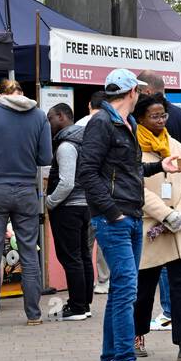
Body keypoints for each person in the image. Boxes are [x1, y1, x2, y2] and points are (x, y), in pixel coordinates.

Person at [77, 69, 178, 361]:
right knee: (126, 291)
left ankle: (111, 360)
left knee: (122, 290)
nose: (142, 96)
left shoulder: (126, 123)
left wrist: (157, 166)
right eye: (139, 91)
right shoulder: (101, 124)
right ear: (131, 92)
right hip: (116, 219)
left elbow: (128, 169)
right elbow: (87, 172)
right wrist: (112, 212)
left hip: (128, 215)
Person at [130, 95, 181, 361]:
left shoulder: (175, 144)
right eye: (154, 116)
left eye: (163, 115)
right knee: (144, 287)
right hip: (151, 226)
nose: (161, 120)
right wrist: (165, 214)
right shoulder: (132, 146)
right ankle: (136, 334)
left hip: (179, 227)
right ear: (140, 118)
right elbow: (135, 188)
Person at [0, 79, 52, 328]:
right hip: (26, 189)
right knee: (28, 252)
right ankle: (34, 314)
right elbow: (45, 157)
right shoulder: (39, 116)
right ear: (23, 93)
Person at [45, 103, 93, 321]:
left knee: (71, 257)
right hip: (85, 206)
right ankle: (85, 303)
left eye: (50, 118)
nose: (49, 123)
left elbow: (66, 182)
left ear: (62, 116)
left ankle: (77, 307)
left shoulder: (66, 146)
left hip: (68, 208)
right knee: (83, 255)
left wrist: (50, 202)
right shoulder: (85, 141)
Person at [76, 90, 111, 295]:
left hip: (81, 193)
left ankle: (85, 282)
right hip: (105, 192)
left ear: (89, 104)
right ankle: (103, 280)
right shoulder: (113, 124)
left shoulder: (79, 125)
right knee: (104, 240)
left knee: (85, 243)